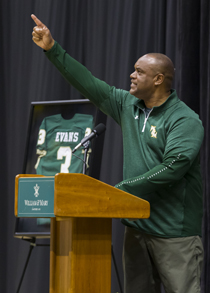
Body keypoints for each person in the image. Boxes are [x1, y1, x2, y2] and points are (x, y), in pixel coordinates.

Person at [31, 14, 204, 293]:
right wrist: (52, 49)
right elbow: (88, 82)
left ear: (159, 79)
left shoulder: (184, 119)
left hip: (174, 234)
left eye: (139, 71)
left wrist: (122, 189)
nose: (132, 75)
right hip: (136, 230)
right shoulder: (128, 105)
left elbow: (174, 166)